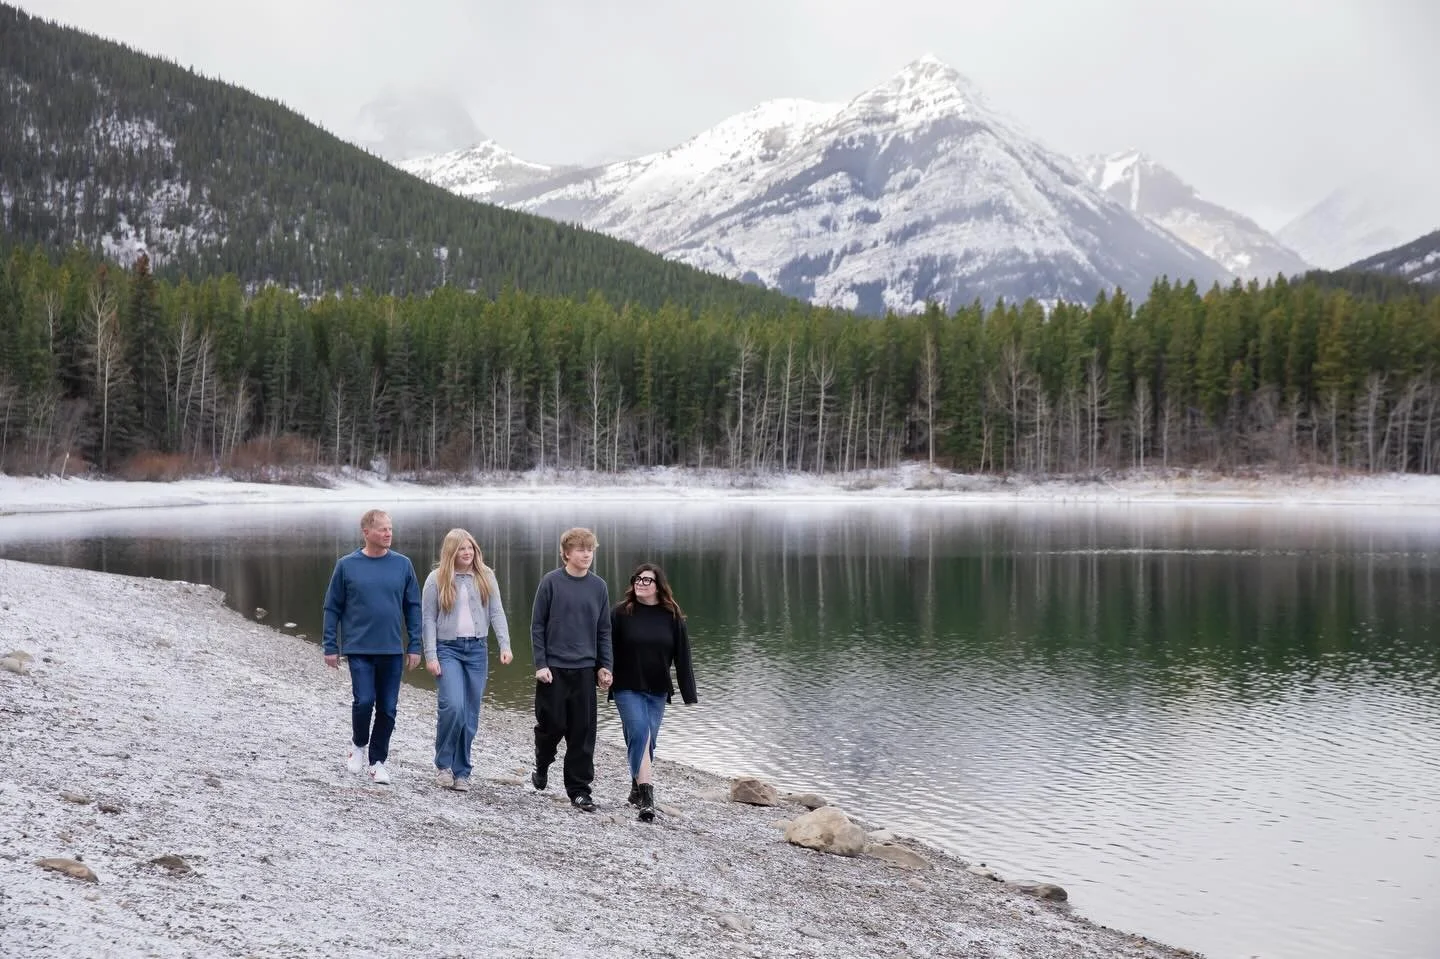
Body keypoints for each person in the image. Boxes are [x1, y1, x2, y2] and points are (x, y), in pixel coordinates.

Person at [322, 509, 422, 785]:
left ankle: (378, 762)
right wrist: (330, 646)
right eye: (382, 529)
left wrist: (415, 645)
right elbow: (332, 607)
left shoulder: (403, 565)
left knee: (388, 708)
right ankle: (358, 745)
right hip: (359, 648)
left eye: (390, 528)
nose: (388, 533)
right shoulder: (346, 565)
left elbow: (413, 607)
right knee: (364, 700)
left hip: (391, 649)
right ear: (366, 532)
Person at [422, 528, 513, 792]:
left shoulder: (485, 576)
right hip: (447, 650)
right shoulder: (436, 579)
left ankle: (462, 771)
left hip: (477, 650)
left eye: (470, 548)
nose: (467, 553)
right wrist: (431, 655)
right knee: (453, 707)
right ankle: (443, 765)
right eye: (461, 548)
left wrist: (505, 645)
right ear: (451, 551)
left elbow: (496, 612)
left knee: (470, 714)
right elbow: (427, 619)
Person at [529, 527, 612, 812]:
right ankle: (542, 761)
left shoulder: (598, 586)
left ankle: (579, 790)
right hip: (553, 670)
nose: (586, 554)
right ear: (566, 553)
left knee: (583, 732)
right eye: (580, 549)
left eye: (590, 549)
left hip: (585, 670)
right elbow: (537, 626)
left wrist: (605, 666)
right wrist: (541, 664)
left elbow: (604, 630)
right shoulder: (551, 582)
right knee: (552, 725)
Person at [609, 563, 697, 822]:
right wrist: (601, 672)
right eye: (637, 579)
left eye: (647, 580)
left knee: (648, 741)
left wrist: (688, 692)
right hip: (626, 685)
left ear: (659, 586)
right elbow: (606, 646)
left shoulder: (672, 616)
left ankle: (636, 787)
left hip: (657, 688)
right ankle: (647, 797)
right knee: (640, 733)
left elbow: (683, 656)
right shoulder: (621, 613)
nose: (640, 583)